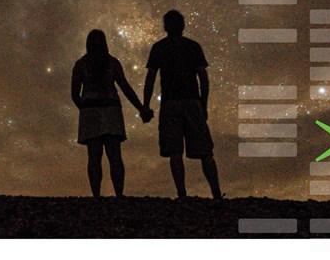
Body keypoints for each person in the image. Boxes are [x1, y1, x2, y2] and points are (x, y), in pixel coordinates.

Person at [143, 10, 222, 199]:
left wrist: (145, 105)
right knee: (205, 151)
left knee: (175, 151)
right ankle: (216, 193)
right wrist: (203, 104)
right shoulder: (193, 47)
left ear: (165, 26)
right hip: (192, 101)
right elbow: (203, 78)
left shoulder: (159, 47)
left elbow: (150, 78)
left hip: (170, 103)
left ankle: (182, 194)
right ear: (183, 26)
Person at [72, 29, 154, 198]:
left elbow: (74, 93)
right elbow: (125, 87)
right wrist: (140, 108)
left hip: (90, 110)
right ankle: (119, 194)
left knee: (94, 155)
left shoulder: (80, 64)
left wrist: (85, 108)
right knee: (114, 154)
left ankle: (96, 195)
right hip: (111, 109)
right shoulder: (113, 63)